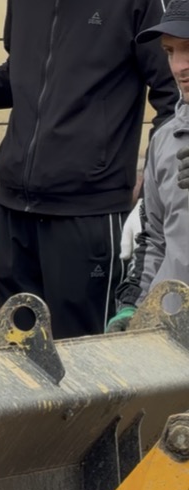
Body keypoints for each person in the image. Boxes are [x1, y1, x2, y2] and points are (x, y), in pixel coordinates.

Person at [0, 0, 178, 339]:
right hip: (13, 211)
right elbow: (22, 74)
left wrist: (151, 199)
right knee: (12, 350)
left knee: (85, 358)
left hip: (88, 213)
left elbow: (173, 97)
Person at [111, 0, 189, 332]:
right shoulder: (166, 140)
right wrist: (132, 309)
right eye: (170, 51)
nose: (179, 66)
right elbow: (153, 240)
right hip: (169, 336)